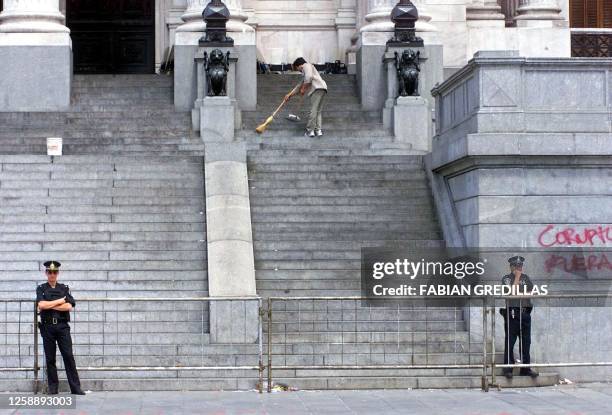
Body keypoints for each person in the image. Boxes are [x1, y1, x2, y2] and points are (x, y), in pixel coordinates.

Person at [36, 261, 86, 395]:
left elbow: (69, 306)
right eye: (50, 272)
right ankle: (53, 388)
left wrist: (49, 304)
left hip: (62, 326)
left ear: (58, 273)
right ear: (46, 273)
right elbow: (41, 304)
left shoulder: (64, 288)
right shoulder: (41, 288)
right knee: (50, 358)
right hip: (47, 327)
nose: (52, 274)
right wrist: (59, 301)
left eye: (54, 272)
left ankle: (75, 387)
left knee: (68, 356)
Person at [500, 256, 539, 379]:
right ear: (511, 266)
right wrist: (516, 278)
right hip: (512, 313)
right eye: (517, 266)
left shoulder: (526, 278)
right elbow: (511, 293)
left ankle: (525, 368)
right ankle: (508, 368)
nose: (519, 268)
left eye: (520, 266)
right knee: (510, 342)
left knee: (526, 342)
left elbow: (533, 292)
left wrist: (519, 293)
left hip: (525, 313)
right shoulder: (506, 279)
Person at [285, 57, 328, 137]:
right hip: (323, 88)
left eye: (297, 69)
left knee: (313, 110)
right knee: (318, 111)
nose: (299, 70)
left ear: (299, 65)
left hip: (317, 88)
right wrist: (289, 95)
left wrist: (304, 88)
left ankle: (310, 131)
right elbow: (299, 86)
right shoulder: (308, 70)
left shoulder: (306, 65)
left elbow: (308, 77)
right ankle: (318, 130)